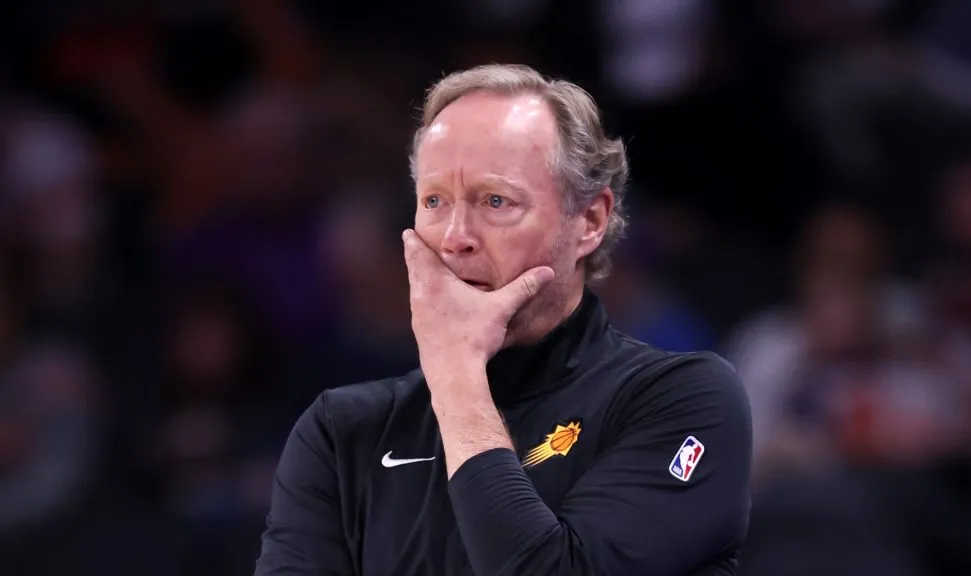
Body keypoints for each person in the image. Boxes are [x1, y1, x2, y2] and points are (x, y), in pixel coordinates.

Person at [254, 63, 752, 576]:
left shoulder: (681, 400)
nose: (455, 238)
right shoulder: (343, 432)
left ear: (590, 221)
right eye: (434, 201)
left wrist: (458, 376)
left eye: (496, 201)